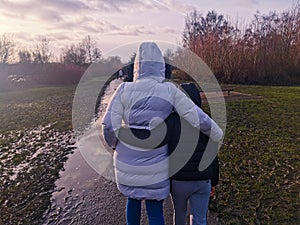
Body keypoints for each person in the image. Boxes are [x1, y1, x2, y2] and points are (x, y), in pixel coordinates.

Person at [101, 42, 223, 225]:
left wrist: (114, 145)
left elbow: (109, 126)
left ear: (137, 66)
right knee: (154, 205)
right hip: (155, 160)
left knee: (132, 200)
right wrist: (216, 132)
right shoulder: (169, 90)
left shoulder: (124, 90)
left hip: (126, 158)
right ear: (160, 65)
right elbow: (194, 114)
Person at [166, 83, 220, 225]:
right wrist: (214, 181)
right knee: (200, 218)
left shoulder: (171, 121)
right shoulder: (207, 121)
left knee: (179, 215)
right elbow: (213, 155)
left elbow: (165, 152)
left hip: (178, 180)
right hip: (203, 179)